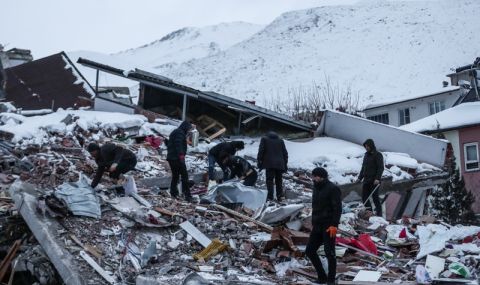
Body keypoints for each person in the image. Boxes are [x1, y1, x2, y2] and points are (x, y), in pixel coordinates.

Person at [305, 167, 341, 285]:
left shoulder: (333, 189)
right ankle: (322, 276)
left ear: (321, 177)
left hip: (329, 226)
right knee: (310, 251)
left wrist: (334, 225)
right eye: (313, 176)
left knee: (329, 253)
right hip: (317, 225)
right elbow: (315, 206)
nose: (313, 178)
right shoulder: (316, 188)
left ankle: (331, 280)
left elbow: (337, 209)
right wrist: (313, 221)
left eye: (315, 176)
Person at [257, 131, 288, 201]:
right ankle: (280, 196)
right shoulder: (280, 141)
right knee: (279, 180)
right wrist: (285, 164)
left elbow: (261, 151)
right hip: (280, 163)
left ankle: (270, 197)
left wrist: (259, 161)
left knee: (269, 180)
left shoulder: (264, 139)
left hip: (269, 163)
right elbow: (285, 153)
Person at [167, 121, 193, 201]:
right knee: (184, 177)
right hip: (177, 158)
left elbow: (170, 143)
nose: (188, 131)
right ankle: (187, 196)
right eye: (188, 129)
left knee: (175, 176)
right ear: (185, 127)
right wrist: (181, 156)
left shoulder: (176, 131)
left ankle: (173, 193)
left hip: (172, 158)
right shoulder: (179, 133)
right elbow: (178, 144)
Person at [357, 138, 384, 216]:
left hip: (374, 180)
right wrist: (359, 177)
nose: (366, 147)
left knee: (375, 198)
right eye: (365, 146)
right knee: (364, 197)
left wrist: (377, 178)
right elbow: (363, 167)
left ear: (371, 145)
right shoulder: (366, 155)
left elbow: (380, 167)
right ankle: (370, 213)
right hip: (366, 180)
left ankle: (379, 214)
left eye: (368, 146)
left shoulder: (378, 155)